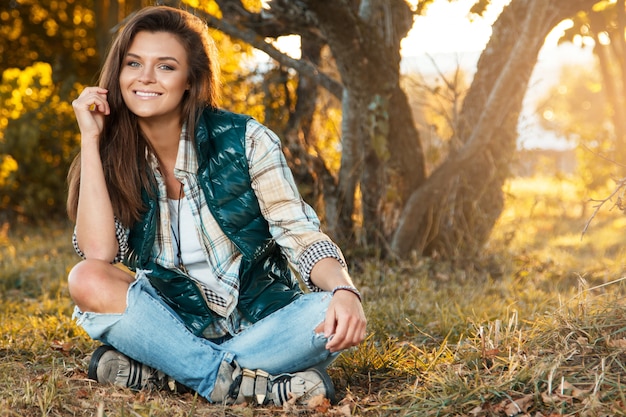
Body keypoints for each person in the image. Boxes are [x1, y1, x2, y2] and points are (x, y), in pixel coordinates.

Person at [66, 5, 366, 406]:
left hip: (264, 323)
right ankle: (240, 384)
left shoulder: (248, 141)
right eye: (134, 63)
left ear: (191, 79)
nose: (145, 78)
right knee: (86, 278)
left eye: (166, 67)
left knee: (329, 311)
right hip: (174, 324)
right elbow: (99, 253)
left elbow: (300, 234)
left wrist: (345, 291)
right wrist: (90, 139)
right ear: (118, 74)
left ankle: (168, 372)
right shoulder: (113, 155)